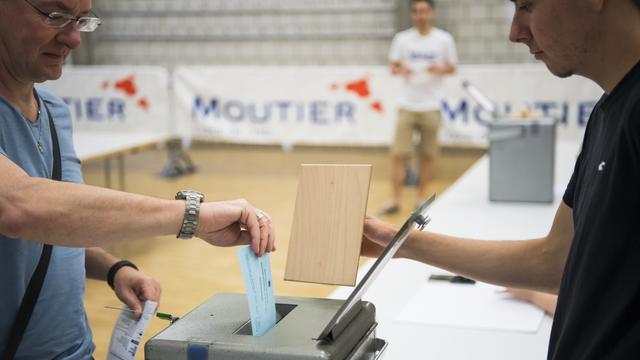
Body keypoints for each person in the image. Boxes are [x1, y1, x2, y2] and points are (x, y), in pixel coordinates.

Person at [363, 0, 640, 358]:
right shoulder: (607, 111)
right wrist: (399, 242)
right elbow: (556, 259)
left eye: (526, 6)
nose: (514, 33)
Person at [0, 0, 275, 358]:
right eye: (55, 16)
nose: (73, 39)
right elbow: (20, 208)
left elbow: (57, 223)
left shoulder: (55, 113)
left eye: (82, 21)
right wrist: (191, 215)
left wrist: (114, 269)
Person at [379, 0, 458, 215]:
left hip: (432, 104)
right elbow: (392, 65)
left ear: (431, 12)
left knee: (427, 154)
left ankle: (421, 197)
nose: (420, 15)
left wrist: (438, 68)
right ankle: (394, 199)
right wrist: (400, 69)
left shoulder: (444, 39)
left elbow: (452, 67)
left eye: (424, 10)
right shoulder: (402, 39)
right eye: (416, 11)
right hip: (407, 103)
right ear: (412, 14)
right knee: (398, 154)